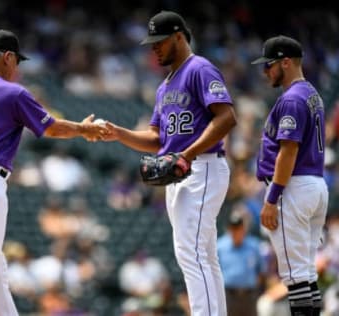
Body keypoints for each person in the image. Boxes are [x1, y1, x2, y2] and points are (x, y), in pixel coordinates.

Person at [0, 29, 108, 316]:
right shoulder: (11, 92)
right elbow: (50, 127)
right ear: (8, 57)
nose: (16, 68)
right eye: (16, 61)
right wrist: (82, 128)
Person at [102, 10, 237, 316]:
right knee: (204, 254)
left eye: (159, 42)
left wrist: (185, 155)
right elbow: (156, 137)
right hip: (182, 171)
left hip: (201, 166)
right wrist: (120, 134)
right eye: (152, 44)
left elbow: (227, 117)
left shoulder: (199, 69)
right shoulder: (165, 86)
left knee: (190, 252)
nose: (154, 48)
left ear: (179, 36)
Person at [251, 35, 329, 316]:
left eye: (269, 64)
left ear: (286, 62)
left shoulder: (294, 99)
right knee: (306, 272)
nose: (265, 71)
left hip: (292, 187)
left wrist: (272, 199)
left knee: (295, 276)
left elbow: (288, 152)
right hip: (313, 185)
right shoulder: (312, 95)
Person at [217, 210, 265, 316]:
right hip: (228, 296)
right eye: (233, 228)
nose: (236, 231)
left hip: (249, 296)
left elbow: (261, 271)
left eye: (238, 228)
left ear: (243, 229)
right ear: (229, 229)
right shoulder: (220, 246)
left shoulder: (254, 246)